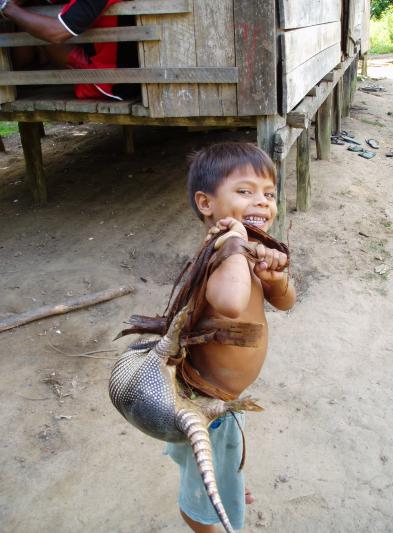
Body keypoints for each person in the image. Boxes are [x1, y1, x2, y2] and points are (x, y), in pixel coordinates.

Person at [166, 141, 296, 532]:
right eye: (245, 191)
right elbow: (232, 303)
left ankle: (229, 482)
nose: (262, 202)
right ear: (207, 204)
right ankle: (205, 518)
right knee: (200, 495)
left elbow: (285, 302)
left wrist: (274, 278)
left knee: (223, 466)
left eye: (269, 194)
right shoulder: (220, 252)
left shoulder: (245, 250)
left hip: (225, 402)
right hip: (205, 409)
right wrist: (239, 245)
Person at [1, 0, 140, 100]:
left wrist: (6, 7)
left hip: (111, 82)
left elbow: (55, 33)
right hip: (122, 72)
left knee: (33, 24)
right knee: (33, 10)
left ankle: (15, 75)